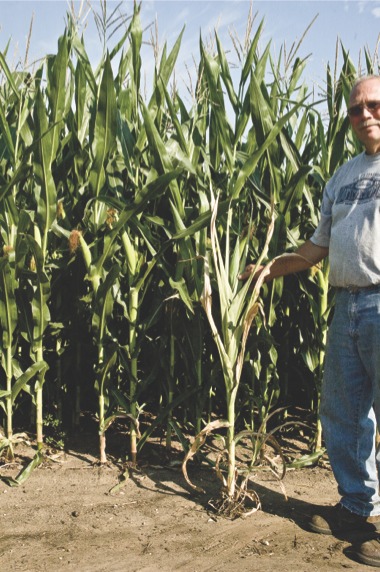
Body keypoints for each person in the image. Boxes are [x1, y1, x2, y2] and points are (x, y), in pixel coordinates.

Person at [239, 75, 380, 567]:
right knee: (343, 412)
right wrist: (267, 270)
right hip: (348, 306)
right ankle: (356, 507)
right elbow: (317, 247)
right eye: (355, 108)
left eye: (374, 104)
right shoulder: (342, 176)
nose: (364, 114)